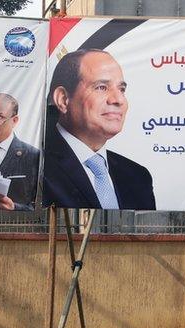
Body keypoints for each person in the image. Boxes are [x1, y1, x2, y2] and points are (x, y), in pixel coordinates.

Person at [41, 49, 155, 210]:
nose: (118, 100)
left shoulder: (138, 176)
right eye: (102, 87)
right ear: (63, 99)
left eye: (121, 89)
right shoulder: (35, 168)